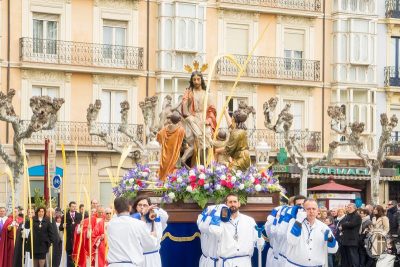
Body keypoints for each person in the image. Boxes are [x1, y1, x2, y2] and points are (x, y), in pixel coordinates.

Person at [208, 193, 264, 267]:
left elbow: (259, 240)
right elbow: (213, 231)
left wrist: (260, 242)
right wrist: (219, 214)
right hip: (227, 263)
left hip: (244, 262)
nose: (233, 204)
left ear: (239, 204)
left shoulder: (249, 220)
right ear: (225, 204)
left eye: (235, 202)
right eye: (230, 202)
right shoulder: (220, 222)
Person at [180, 66, 217, 165]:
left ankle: (205, 165)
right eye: (194, 79)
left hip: (204, 119)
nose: (196, 81)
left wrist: (209, 120)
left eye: (198, 79)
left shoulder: (207, 94)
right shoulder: (189, 93)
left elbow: (212, 109)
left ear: (201, 80)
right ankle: (196, 166)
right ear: (192, 81)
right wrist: (186, 99)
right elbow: (184, 108)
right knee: (194, 143)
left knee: (205, 144)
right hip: (193, 118)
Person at [107, 197, 158, 266]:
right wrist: (153, 236)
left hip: (113, 264)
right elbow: (149, 245)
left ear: (115, 210)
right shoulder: (138, 224)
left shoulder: (110, 224)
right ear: (130, 208)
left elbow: (120, 217)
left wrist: (141, 214)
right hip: (131, 264)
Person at [285, 199, 338, 266]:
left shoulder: (323, 227)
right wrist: (298, 221)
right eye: (308, 209)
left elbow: (333, 250)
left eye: (313, 209)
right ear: (303, 210)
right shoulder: (294, 222)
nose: (311, 211)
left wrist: (330, 240)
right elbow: (292, 241)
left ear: (317, 211)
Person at [132, 196, 169, 267]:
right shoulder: (132, 220)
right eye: (140, 205)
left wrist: (155, 209)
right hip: (138, 259)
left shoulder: (154, 220)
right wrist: (142, 214)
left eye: (145, 205)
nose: (142, 207)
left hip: (153, 258)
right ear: (136, 207)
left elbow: (165, 217)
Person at [156, 111, 185, 180]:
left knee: (163, 170)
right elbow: (183, 140)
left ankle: (162, 182)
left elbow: (158, 137)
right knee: (173, 170)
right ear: (178, 120)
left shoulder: (164, 129)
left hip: (164, 154)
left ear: (171, 119)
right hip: (174, 155)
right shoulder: (181, 130)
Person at [339, 203, 362, 267]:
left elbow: (351, 224)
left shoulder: (357, 216)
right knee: (348, 258)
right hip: (346, 240)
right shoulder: (347, 215)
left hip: (352, 240)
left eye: (350, 208)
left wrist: (344, 225)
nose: (348, 209)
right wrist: (345, 224)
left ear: (354, 208)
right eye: (348, 207)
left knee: (354, 257)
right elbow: (341, 223)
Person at [60, 201, 82, 267]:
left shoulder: (79, 215)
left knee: (77, 256)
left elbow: (81, 226)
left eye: (75, 206)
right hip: (69, 239)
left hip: (77, 239)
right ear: (69, 207)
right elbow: (60, 228)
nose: (74, 208)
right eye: (73, 206)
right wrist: (62, 226)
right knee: (69, 257)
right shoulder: (65, 216)